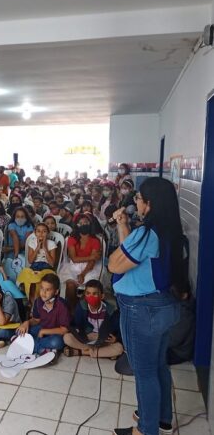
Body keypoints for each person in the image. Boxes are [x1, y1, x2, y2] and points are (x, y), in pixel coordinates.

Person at [109, 177, 183, 435]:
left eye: (139, 198)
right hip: (163, 306)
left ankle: (146, 429)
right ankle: (162, 418)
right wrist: (123, 224)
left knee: (144, 372)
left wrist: (116, 252)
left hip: (141, 310)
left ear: (150, 203)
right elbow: (131, 254)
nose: (136, 202)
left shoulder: (146, 234)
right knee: (158, 364)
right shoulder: (169, 230)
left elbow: (115, 264)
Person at [63, 280, 123, 359]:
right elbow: (76, 325)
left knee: (119, 348)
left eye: (94, 294)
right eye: (88, 293)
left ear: (102, 296)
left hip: (103, 339)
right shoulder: (81, 306)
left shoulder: (111, 310)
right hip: (87, 337)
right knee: (67, 338)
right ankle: (98, 352)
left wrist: (116, 338)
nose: (91, 297)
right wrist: (78, 332)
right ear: (85, 295)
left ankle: (81, 352)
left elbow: (119, 330)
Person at [17, 273, 69, 358]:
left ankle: (28, 346)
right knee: (20, 332)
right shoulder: (38, 301)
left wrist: (43, 331)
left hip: (55, 333)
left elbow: (64, 330)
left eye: (48, 290)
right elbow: (36, 320)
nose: (43, 293)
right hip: (42, 327)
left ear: (56, 292)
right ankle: (44, 349)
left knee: (57, 342)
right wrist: (27, 322)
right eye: (42, 288)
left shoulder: (61, 305)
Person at [60, 213, 102, 312]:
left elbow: (92, 261)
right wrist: (91, 256)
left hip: (90, 267)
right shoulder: (72, 238)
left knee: (90, 288)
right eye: (81, 223)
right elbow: (74, 259)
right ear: (77, 225)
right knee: (70, 286)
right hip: (73, 266)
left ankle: (83, 310)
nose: (83, 225)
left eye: (86, 222)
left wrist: (83, 274)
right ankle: (73, 310)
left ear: (90, 224)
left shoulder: (95, 240)